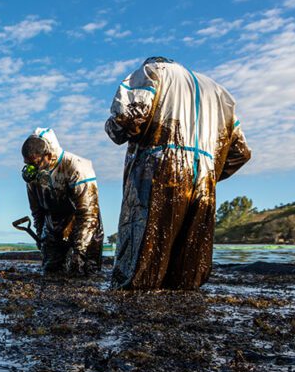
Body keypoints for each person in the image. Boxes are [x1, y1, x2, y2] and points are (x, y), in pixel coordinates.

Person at [105, 57, 251, 290]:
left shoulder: (152, 71)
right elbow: (241, 152)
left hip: (159, 167)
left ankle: (135, 307)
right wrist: (210, 175)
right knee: (189, 263)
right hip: (204, 175)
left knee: (144, 252)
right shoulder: (220, 93)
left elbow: (128, 118)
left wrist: (112, 128)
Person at [21, 128, 103, 275]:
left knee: (85, 272)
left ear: (48, 155)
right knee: (51, 271)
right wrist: (41, 236)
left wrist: (79, 250)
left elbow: (88, 214)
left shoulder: (77, 168)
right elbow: (37, 211)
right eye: (28, 164)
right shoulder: (33, 176)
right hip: (54, 224)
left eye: (34, 163)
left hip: (83, 223)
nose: (31, 169)